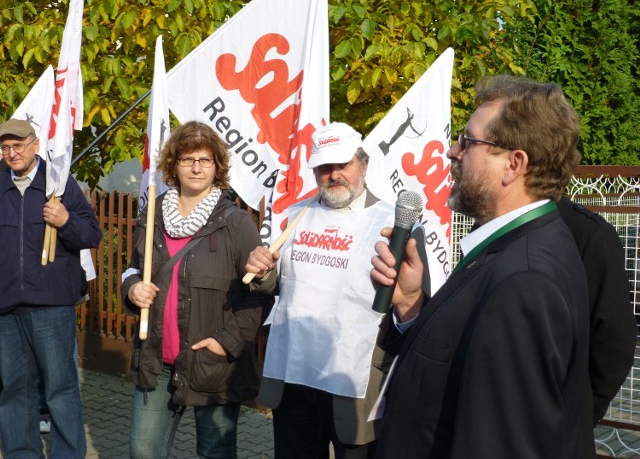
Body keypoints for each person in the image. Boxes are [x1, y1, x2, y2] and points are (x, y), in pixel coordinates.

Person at [370, 75, 593, 458]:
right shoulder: (506, 247)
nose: (451, 152)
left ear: (513, 164)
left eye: (469, 141)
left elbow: (498, 444)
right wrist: (410, 305)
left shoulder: (525, 281)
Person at [244, 122, 428, 459]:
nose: (334, 175)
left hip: (353, 382)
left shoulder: (395, 226)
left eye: (343, 165)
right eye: (324, 168)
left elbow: (413, 306)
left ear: (364, 165)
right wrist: (261, 271)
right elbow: (274, 285)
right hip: (293, 378)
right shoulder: (295, 216)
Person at [121, 121, 273, 459]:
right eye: (188, 159)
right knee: (143, 450)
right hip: (157, 359)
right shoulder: (154, 213)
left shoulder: (236, 223)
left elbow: (259, 295)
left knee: (215, 453)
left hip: (213, 363)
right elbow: (133, 267)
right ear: (173, 164)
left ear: (217, 167)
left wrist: (226, 342)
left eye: (205, 160)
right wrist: (132, 288)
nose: (196, 167)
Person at [0, 118, 102, 458]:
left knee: (61, 389)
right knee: (14, 391)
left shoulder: (57, 182)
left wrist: (66, 221)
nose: (11, 153)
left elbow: (91, 234)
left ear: (34, 144)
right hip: (6, 307)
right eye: (5, 148)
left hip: (52, 306)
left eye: (17, 146)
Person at [557, 197, 636, 426]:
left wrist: (576, 418)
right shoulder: (486, 229)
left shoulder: (587, 233)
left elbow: (613, 344)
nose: (454, 157)